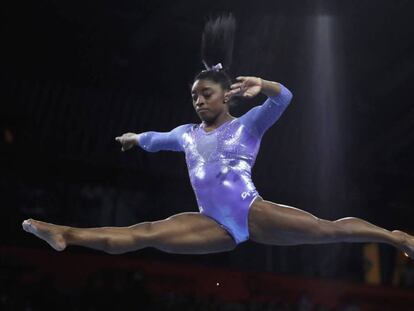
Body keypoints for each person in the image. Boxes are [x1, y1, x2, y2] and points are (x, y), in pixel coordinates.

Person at [22, 14, 414, 259]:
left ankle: (395, 237)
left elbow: (286, 99)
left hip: (251, 212)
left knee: (329, 231)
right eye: (193, 96)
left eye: (204, 94)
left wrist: (264, 84)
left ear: (224, 95)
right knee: (142, 235)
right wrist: (135, 138)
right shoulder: (187, 134)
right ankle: (64, 234)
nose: (197, 102)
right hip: (213, 224)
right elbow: (158, 139)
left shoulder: (246, 126)